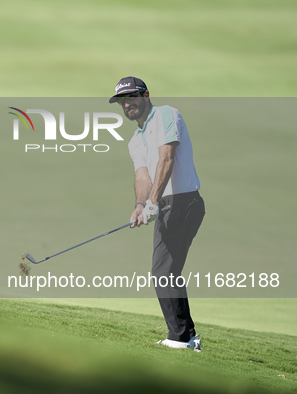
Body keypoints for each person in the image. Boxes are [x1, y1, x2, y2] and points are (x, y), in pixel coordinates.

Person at [109, 77, 205, 352]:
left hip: (183, 201)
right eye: (122, 101)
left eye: (132, 98)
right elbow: (143, 175)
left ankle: (182, 338)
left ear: (146, 95)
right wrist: (141, 204)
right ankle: (186, 335)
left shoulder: (165, 114)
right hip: (165, 205)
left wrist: (153, 203)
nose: (128, 104)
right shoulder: (134, 140)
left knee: (164, 270)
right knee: (165, 270)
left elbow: (166, 159)